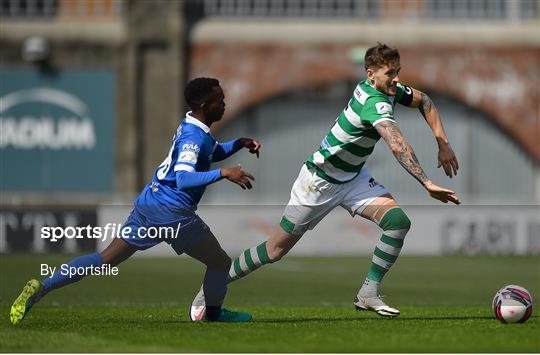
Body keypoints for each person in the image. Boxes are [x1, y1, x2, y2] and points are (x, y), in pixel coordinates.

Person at [189, 43, 460, 320]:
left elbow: (425, 101)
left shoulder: (389, 90)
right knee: (274, 250)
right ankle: (209, 289)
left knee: (398, 222)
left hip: (352, 178)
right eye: (391, 72)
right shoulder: (373, 102)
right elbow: (396, 143)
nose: (397, 79)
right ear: (371, 75)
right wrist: (426, 182)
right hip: (318, 182)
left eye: (398, 71)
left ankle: (368, 293)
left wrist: (443, 144)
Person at [10, 77, 261, 324]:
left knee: (105, 259)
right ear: (206, 105)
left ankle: (43, 287)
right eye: (220, 100)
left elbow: (211, 152)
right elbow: (184, 178)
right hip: (173, 212)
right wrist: (225, 173)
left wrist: (239, 143)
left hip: (150, 202)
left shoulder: (192, 126)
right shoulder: (194, 138)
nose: (225, 104)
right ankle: (213, 314)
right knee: (220, 262)